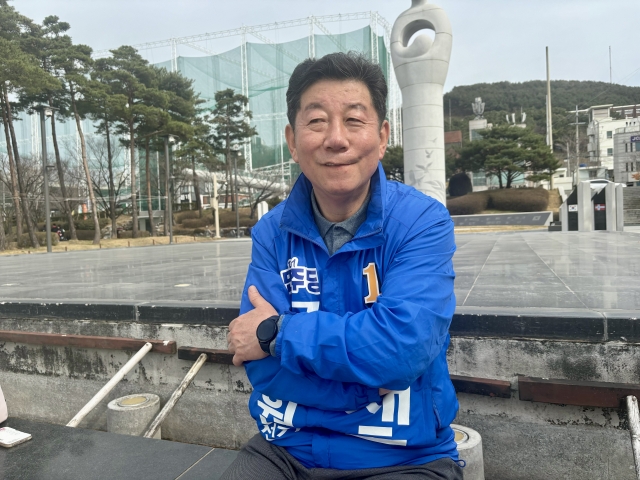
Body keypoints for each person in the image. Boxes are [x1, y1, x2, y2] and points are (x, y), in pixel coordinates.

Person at [225, 52, 462, 480]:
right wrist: (372, 380)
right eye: (316, 121)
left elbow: (401, 349)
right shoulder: (270, 233)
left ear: (383, 135)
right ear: (293, 141)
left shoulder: (421, 223)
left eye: (354, 120)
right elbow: (259, 364)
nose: (336, 138)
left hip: (405, 459)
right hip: (287, 449)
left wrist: (277, 333)